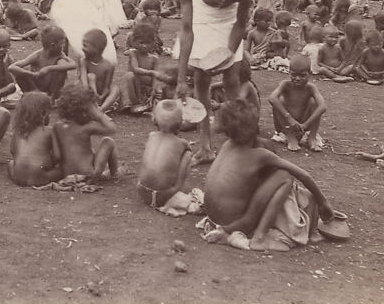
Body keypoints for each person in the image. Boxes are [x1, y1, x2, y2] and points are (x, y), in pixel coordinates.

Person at [200, 98, 338, 252]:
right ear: (255, 127)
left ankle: (225, 233)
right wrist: (323, 202)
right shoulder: (260, 155)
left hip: (213, 221)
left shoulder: (226, 146)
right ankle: (259, 237)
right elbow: (304, 176)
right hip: (237, 224)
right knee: (284, 177)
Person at [173, 0, 254, 163]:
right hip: (202, 18)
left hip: (229, 20)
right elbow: (187, 30)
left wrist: (226, 55)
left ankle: (240, 144)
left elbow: (240, 25)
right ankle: (205, 147)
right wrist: (181, 79)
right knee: (201, 81)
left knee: (232, 82)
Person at [135, 99, 199, 213]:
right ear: (181, 123)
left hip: (142, 191)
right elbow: (185, 153)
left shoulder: (151, 136)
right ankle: (177, 189)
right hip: (164, 196)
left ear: (154, 119)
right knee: (187, 154)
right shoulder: (182, 143)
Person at [52, 83, 119, 182]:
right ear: (86, 110)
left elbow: (57, 155)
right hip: (89, 175)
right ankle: (114, 175)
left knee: (89, 152)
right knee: (108, 141)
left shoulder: (57, 126)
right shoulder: (86, 127)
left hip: (67, 175)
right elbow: (112, 129)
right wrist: (97, 114)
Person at [267, 55, 327, 152]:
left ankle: (312, 137)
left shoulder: (311, 88)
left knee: (313, 102)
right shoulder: (285, 85)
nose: (297, 78)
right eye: (293, 75)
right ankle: (290, 137)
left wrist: (306, 124)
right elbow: (272, 98)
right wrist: (289, 119)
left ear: (310, 74)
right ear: (289, 73)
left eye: (302, 75)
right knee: (280, 100)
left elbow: (323, 107)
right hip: (286, 126)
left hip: (303, 126)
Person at [7, 91, 62, 187]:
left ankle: (20, 175)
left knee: (11, 163)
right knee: (60, 170)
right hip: (39, 176)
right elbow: (57, 156)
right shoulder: (49, 131)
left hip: (18, 177)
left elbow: (13, 151)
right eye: (49, 114)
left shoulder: (18, 130)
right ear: (44, 114)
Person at [7, 24, 74, 100]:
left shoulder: (60, 54)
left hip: (51, 90)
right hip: (35, 88)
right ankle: (35, 96)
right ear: (53, 45)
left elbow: (73, 64)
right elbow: (11, 67)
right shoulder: (37, 55)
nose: (64, 46)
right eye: (62, 43)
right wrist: (32, 74)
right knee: (20, 73)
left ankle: (51, 98)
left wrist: (49, 68)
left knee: (62, 66)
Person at [80, 29, 120, 112]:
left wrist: (101, 97)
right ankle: (94, 108)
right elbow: (84, 81)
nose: (82, 48)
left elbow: (106, 88)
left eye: (85, 46)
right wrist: (91, 93)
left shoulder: (108, 65)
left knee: (115, 89)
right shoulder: (83, 61)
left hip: (101, 97)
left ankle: (100, 110)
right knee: (90, 77)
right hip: (87, 94)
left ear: (96, 48)